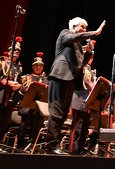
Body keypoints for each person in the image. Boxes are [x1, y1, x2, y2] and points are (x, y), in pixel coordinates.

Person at [45, 17, 105, 154]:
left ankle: (53, 144)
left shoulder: (77, 45)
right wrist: (94, 32)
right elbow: (75, 37)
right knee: (56, 112)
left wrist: (89, 53)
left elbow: (80, 65)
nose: (84, 30)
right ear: (74, 26)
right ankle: (50, 145)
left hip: (70, 80)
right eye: (82, 27)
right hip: (60, 76)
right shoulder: (65, 33)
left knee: (63, 113)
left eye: (85, 28)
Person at [68, 42, 97, 155]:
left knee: (84, 128)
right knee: (76, 128)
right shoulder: (78, 66)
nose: (90, 59)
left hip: (88, 101)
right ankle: (72, 150)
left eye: (92, 57)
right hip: (79, 99)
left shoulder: (91, 70)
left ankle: (80, 149)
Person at [16, 52, 49, 150]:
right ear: (33, 67)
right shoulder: (26, 78)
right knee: (24, 127)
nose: (38, 67)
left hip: (39, 108)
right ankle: (20, 145)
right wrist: (27, 90)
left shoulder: (46, 79)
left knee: (36, 127)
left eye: (40, 66)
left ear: (42, 67)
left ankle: (33, 145)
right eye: (36, 66)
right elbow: (21, 90)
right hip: (27, 105)